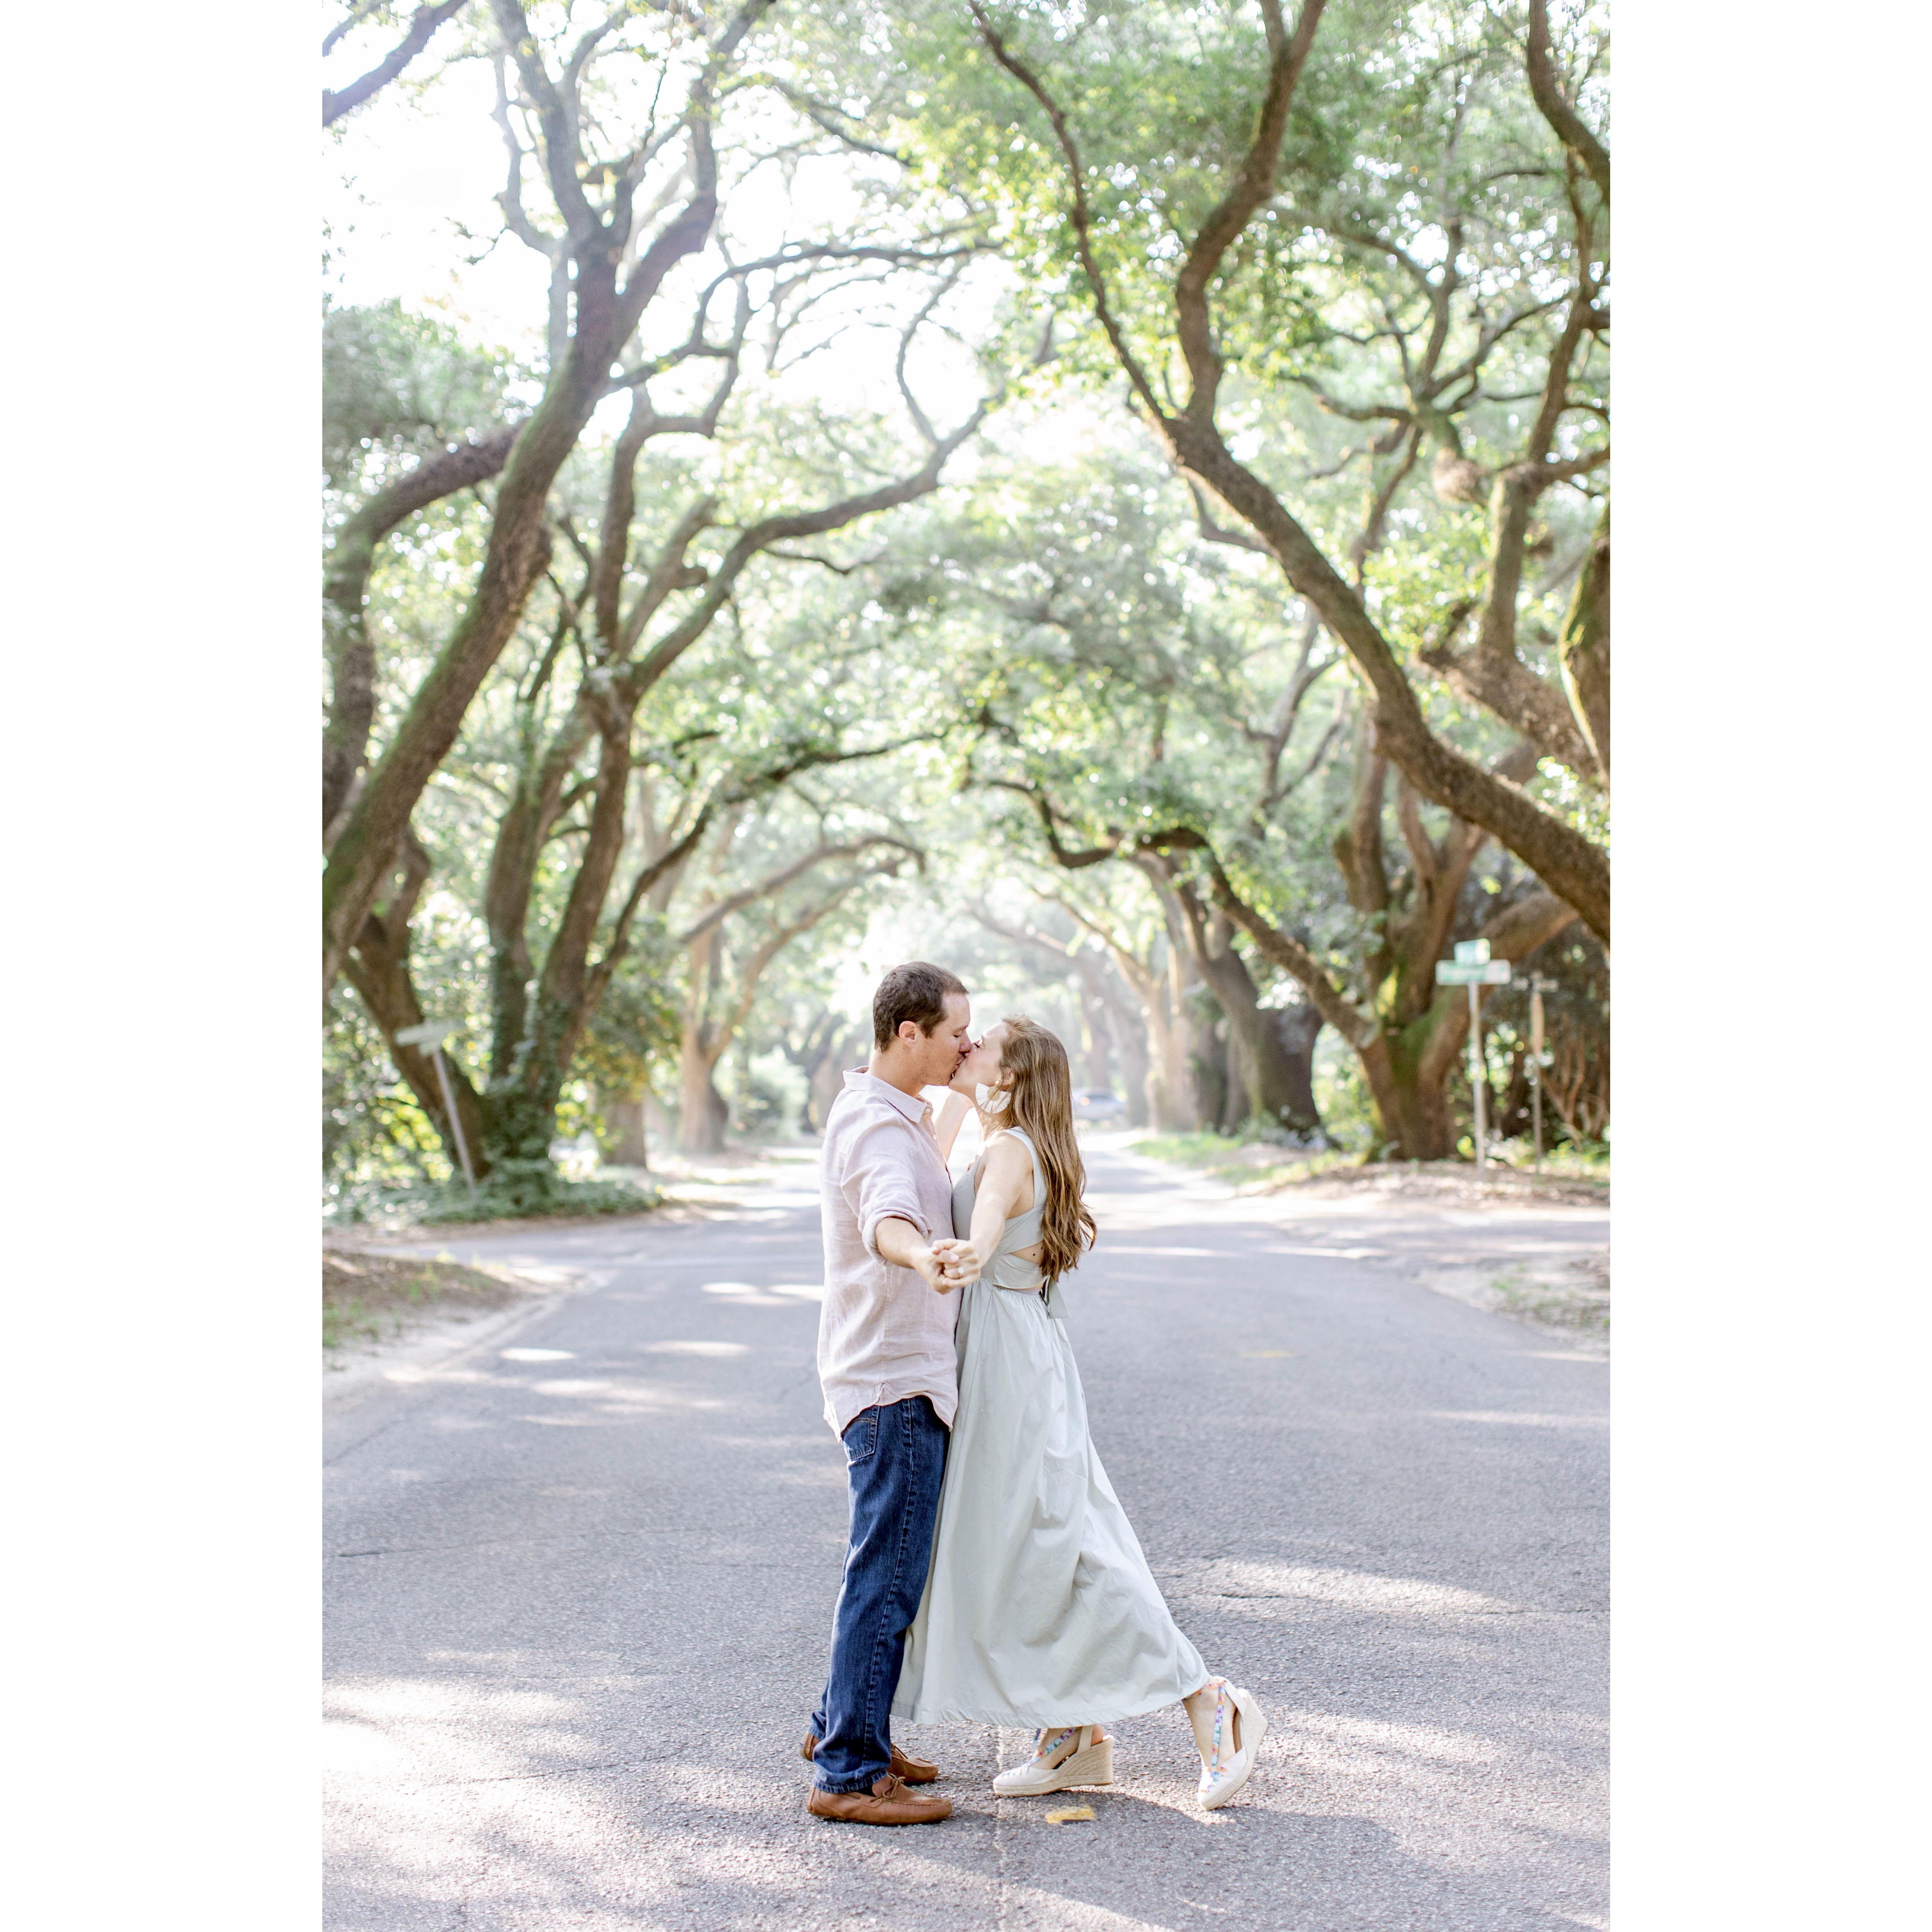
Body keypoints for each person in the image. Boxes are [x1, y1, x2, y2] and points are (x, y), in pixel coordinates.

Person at [894, 1016, 1268, 1810]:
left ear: (1016, 1072)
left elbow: (989, 1211)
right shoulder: (1014, 1136)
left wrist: (971, 1248)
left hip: (1008, 1363)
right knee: (1043, 1541)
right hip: (1024, 1351)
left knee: (1060, 1544)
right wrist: (962, 1090)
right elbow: (929, 1153)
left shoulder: (1006, 1152)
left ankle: (1206, 1696)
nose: (966, 1046)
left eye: (981, 1043)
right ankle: (1072, 1737)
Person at [801, 962, 982, 1826]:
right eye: (955, 1033)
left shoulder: (883, 1111)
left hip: (884, 1370)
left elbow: (925, 1170)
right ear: (906, 1032)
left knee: (886, 1567)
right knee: (885, 1573)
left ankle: (845, 1724)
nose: (966, 1044)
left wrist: (970, 1083)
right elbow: (888, 1218)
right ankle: (846, 1772)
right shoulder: (876, 1128)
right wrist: (924, 1257)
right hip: (893, 1379)